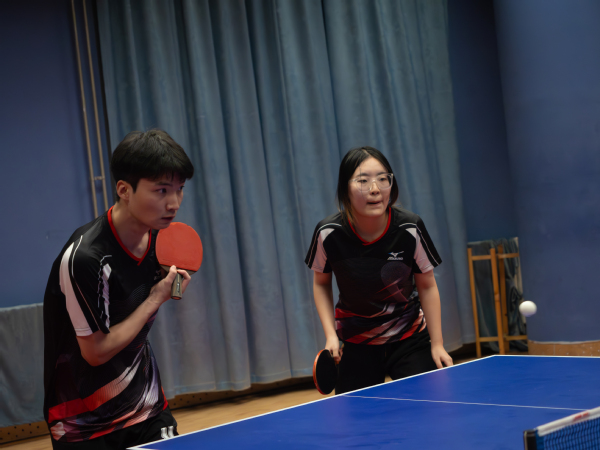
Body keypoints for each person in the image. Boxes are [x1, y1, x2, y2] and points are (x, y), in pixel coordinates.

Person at [43, 129, 194, 449]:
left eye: (180, 189)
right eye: (161, 190)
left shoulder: (160, 239)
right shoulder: (85, 258)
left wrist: (172, 283)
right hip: (84, 421)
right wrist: (156, 297)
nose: (174, 203)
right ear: (124, 189)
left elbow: (167, 293)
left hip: (146, 406)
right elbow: (96, 353)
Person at [305, 146, 453, 394]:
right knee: (357, 414)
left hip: (408, 338)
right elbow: (321, 283)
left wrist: (437, 344)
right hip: (356, 341)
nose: (375, 189)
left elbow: (427, 285)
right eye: (363, 181)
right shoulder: (328, 233)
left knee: (428, 408)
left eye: (383, 179)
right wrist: (331, 336)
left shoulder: (409, 228)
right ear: (345, 188)